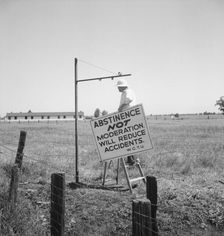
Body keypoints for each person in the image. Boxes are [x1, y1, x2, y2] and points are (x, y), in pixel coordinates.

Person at [117, 79, 136, 166]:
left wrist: (121, 107)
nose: (118, 89)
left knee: (128, 137)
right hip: (127, 116)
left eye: (118, 87)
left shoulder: (127, 92)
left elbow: (129, 99)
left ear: (122, 86)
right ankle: (130, 158)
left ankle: (131, 158)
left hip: (128, 117)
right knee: (127, 137)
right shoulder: (125, 92)